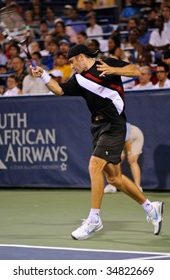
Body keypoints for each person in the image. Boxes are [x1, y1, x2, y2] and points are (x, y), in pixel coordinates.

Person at [30, 43, 164, 240]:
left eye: (72, 61)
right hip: (97, 127)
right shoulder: (77, 79)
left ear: (82, 57)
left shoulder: (105, 64)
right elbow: (59, 90)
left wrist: (114, 70)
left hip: (114, 124)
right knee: (114, 178)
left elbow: (136, 70)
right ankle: (151, 208)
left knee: (94, 165)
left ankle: (94, 219)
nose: (72, 66)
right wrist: (43, 75)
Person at [104, 122, 144, 193]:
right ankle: (113, 185)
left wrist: (129, 153)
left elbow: (126, 140)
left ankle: (138, 187)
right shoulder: (102, 129)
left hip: (134, 136)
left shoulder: (116, 125)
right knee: (114, 162)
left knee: (132, 160)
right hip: (120, 140)